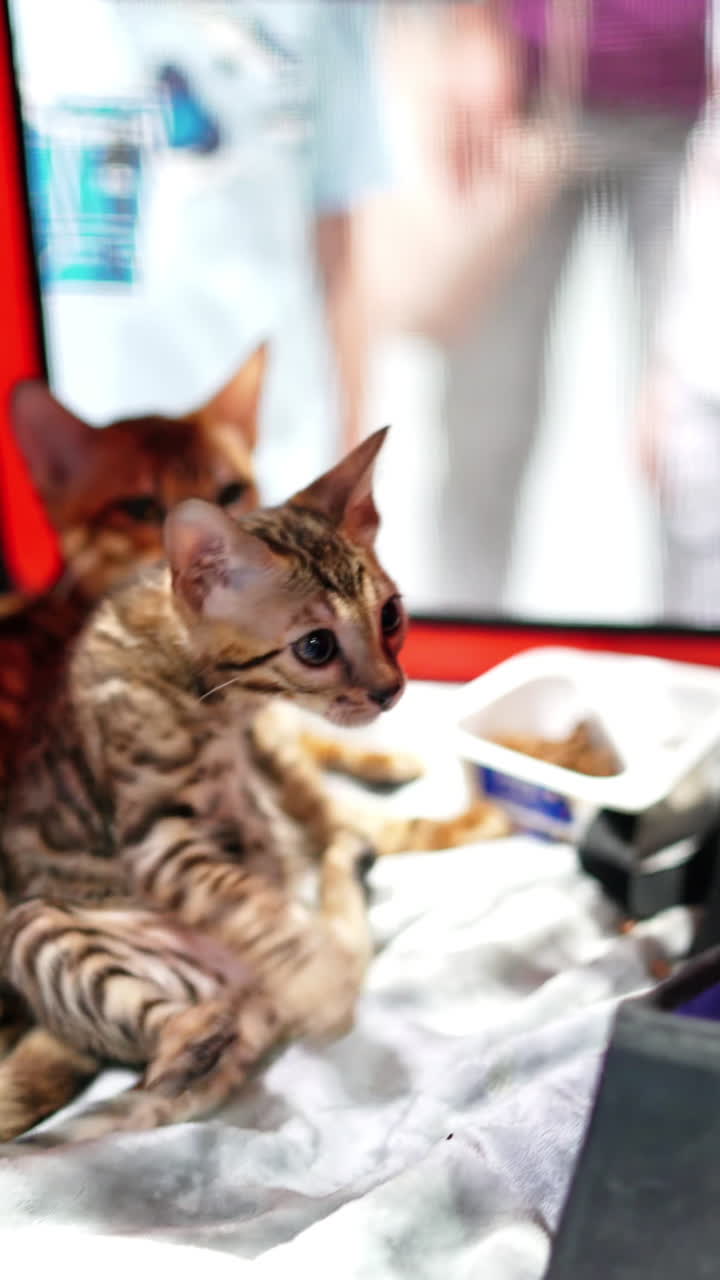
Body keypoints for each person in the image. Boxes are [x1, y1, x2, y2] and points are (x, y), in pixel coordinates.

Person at [12, 0, 386, 501]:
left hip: (257, 487)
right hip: (59, 490)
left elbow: (340, 256)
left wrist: (344, 494)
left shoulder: (318, 15)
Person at [410, 0, 710, 615]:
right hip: (526, 87)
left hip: (690, 105)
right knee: (484, 418)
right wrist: (472, 29)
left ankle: (693, 661)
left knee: (692, 435)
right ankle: (463, 652)